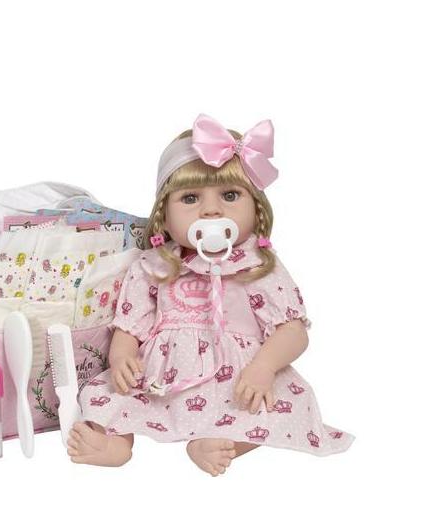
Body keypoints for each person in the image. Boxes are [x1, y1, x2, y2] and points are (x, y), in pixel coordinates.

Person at [68, 113, 354, 476]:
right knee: (107, 394)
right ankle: (114, 444)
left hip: (239, 376)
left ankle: (219, 444)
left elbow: (293, 331)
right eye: (190, 198)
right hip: (163, 378)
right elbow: (130, 324)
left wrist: (264, 367)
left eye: (230, 195)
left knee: (277, 406)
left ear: (256, 208)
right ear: (164, 216)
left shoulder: (258, 265)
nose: (211, 209)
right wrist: (122, 355)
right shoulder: (156, 264)